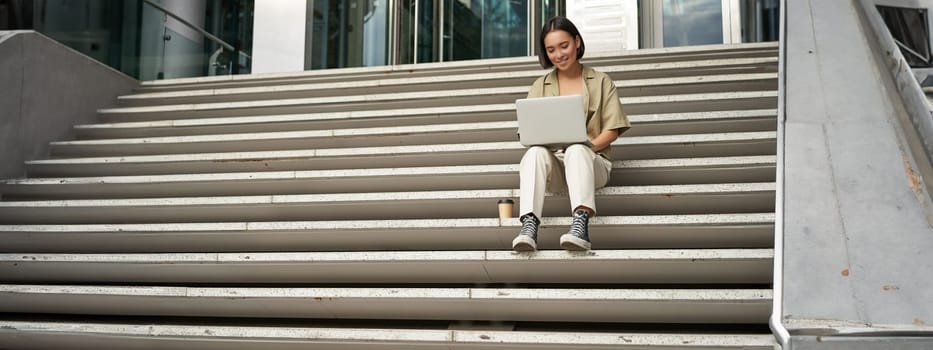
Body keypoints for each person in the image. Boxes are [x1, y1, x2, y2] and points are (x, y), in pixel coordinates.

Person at [512, 16, 630, 252]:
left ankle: (580, 225)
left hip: (593, 164)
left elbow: (613, 128)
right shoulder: (540, 86)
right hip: (556, 165)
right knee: (534, 153)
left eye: (564, 46)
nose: (559, 55)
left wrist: (589, 147)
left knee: (578, 149)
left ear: (577, 41)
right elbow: (527, 131)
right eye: (551, 50)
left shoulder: (601, 81)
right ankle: (529, 225)